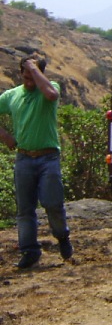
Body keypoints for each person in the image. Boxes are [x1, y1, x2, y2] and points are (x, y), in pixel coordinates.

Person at [0, 55, 73, 269]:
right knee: (25, 209)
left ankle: (62, 237)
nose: (29, 80)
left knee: (52, 204)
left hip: (48, 157)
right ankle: (29, 251)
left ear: (41, 74)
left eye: (33, 75)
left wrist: (34, 68)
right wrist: (6, 137)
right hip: (24, 158)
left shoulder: (50, 88)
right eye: (25, 75)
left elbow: (51, 94)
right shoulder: (12, 95)